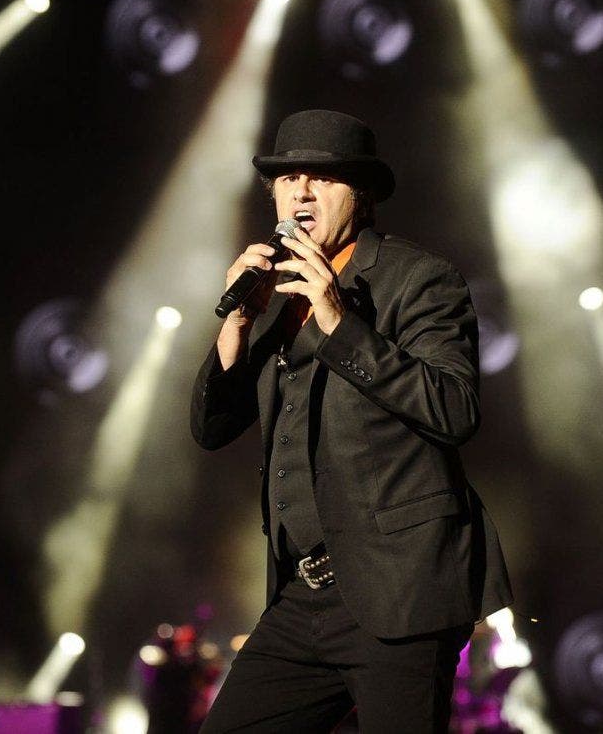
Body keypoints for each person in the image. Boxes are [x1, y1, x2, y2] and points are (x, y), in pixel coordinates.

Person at [191, 109, 512, 732]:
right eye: (287, 180)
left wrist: (339, 322)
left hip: (401, 590)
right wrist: (236, 322)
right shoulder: (279, 296)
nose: (301, 192)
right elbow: (211, 428)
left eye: (322, 178)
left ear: (359, 196)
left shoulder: (419, 279)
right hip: (301, 594)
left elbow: (454, 407)